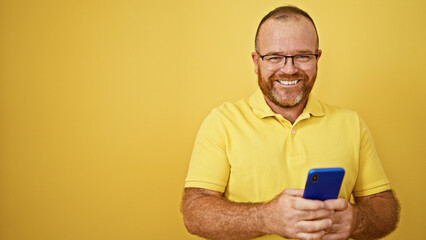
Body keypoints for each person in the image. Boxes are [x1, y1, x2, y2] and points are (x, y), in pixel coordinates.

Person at [182, 6, 400, 240]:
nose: (289, 69)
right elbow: (194, 213)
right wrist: (266, 218)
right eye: (275, 57)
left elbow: (385, 209)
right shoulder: (221, 122)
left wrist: (356, 220)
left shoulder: (352, 123)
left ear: (317, 58)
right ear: (256, 61)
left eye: (302, 56)